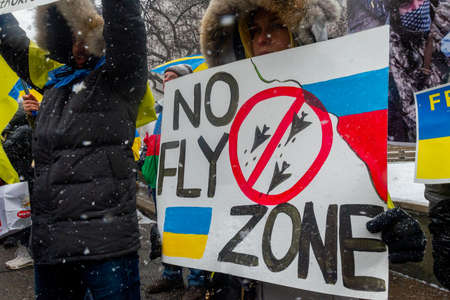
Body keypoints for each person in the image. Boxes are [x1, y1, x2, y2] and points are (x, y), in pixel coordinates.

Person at [200, 0, 428, 297]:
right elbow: (218, 197)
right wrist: (178, 233)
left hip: (319, 280)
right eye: (253, 30)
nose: (262, 38)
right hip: (253, 283)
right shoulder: (228, 117)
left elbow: (363, 181)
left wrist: (396, 229)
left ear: (302, 31)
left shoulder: (342, 103)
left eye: (276, 26)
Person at [0, 0, 151, 298]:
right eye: (69, 35)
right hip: (52, 246)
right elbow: (14, 43)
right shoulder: (54, 83)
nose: (78, 43)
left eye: (85, 33)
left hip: (106, 247)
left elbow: (126, 26)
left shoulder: (119, 77)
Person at [144, 64, 208, 300]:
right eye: (164, 79)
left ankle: (197, 281)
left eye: (172, 77)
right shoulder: (161, 111)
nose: (166, 82)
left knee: (192, 229)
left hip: (191, 181)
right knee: (167, 231)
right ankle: (171, 275)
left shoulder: (199, 106)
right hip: (163, 183)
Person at [386, 0, 449, 143]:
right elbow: (410, 113)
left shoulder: (443, 17)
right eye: (406, 4)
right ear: (395, 11)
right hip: (430, 137)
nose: (417, 6)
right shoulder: (393, 51)